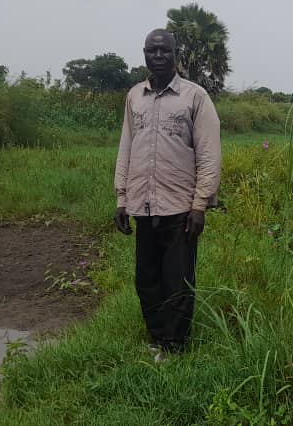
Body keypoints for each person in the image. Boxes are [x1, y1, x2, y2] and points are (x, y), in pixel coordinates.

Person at [113, 29, 221, 361]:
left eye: (165, 51)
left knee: (177, 280)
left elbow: (208, 153)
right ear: (144, 54)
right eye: (152, 50)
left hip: (180, 208)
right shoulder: (135, 96)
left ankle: (174, 346)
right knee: (146, 279)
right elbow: (126, 147)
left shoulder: (195, 96)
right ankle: (157, 336)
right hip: (143, 204)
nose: (158, 56)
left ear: (177, 55)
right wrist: (121, 197)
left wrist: (200, 204)